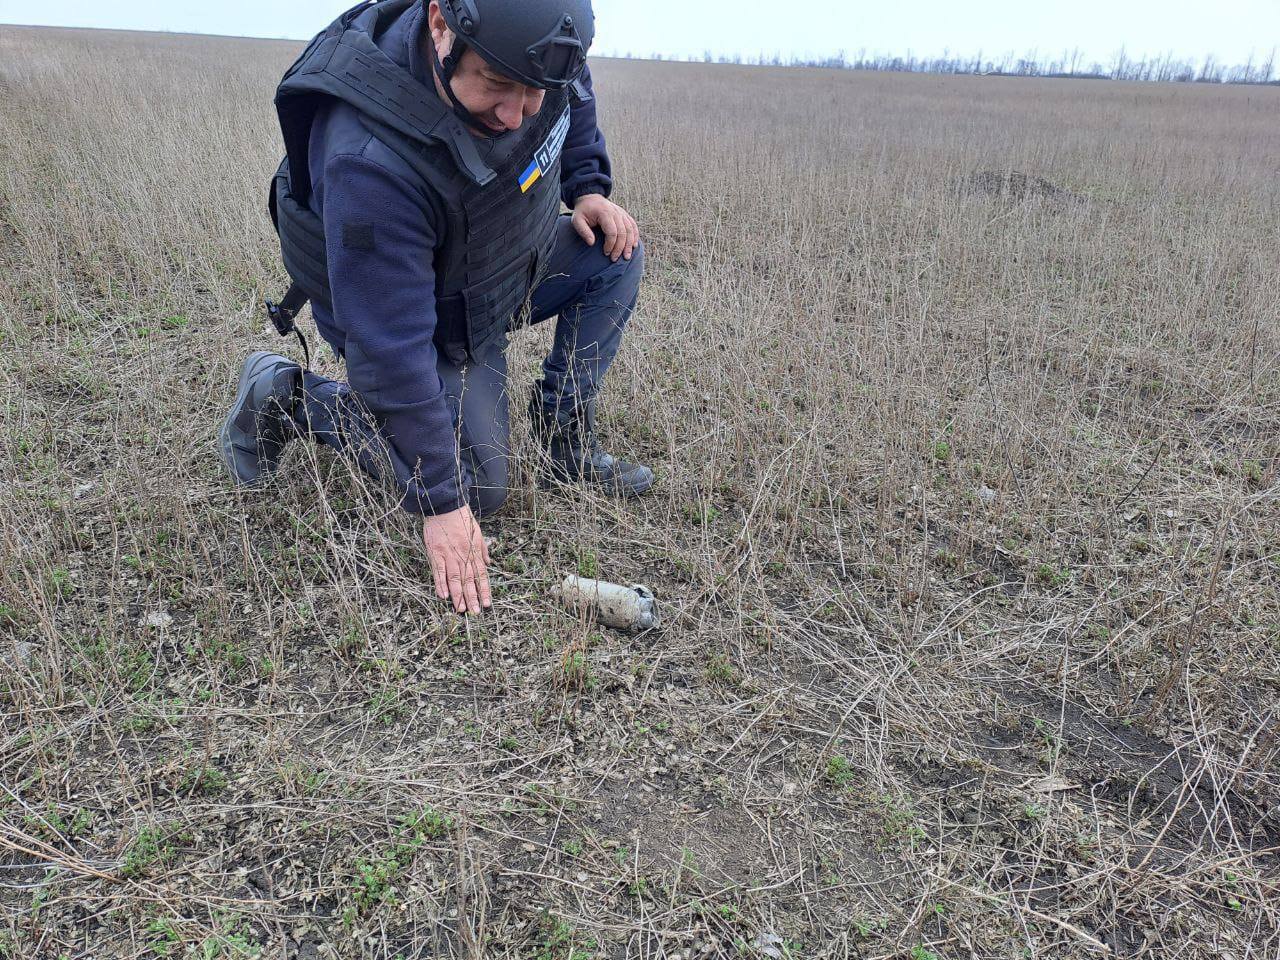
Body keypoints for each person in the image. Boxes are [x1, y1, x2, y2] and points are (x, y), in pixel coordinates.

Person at [217, 0, 653, 616]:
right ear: (441, 22)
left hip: (496, 264)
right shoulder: (369, 159)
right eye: (498, 87)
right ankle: (286, 396)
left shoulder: (537, 51)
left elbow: (569, 95)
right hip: (420, 315)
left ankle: (564, 439)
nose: (515, 114)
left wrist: (587, 187)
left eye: (534, 94)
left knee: (615, 251)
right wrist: (442, 504)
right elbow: (388, 348)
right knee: (477, 484)